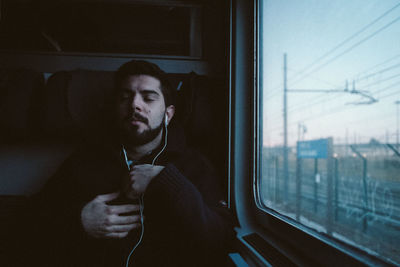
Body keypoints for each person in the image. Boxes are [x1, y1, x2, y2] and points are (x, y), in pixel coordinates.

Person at [30, 60, 234, 267]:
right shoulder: (84, 161)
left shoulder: (195, 165)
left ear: (168, 114)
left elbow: (220, 240)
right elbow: (31, 225)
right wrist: (79, 221)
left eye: (148, 98)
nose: (135, 104)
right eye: (125, 97)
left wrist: (166, 180)